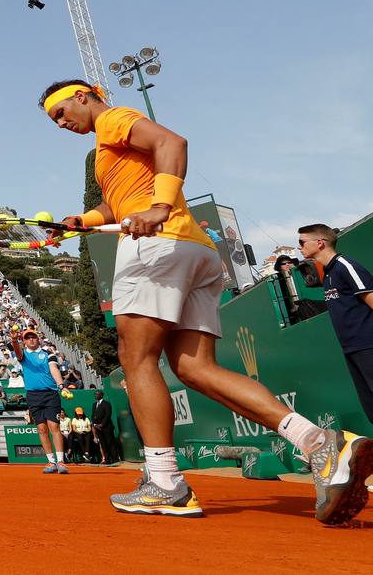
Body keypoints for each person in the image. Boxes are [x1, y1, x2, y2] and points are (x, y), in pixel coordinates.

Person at [43, 80, 371, 523]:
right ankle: (319, 443)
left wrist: (159, 207)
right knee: (196, 368)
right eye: (54, 121)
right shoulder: (107, 150)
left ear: (82, 96)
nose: (61, 124)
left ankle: (163, 482)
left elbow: (172, 142)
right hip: (194, 251)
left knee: (136, 358)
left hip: (158, 248)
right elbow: (120, 203)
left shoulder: (112, 120)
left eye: (61, 112)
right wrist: (82, 220)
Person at [298, 224, 373, 428]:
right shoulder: (328, 274)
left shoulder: (345, 265)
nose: (299, 248)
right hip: (351, 349)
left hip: (368, 345)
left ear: (319, 243)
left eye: (302, 242)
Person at [13, 327, 67, 474]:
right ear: (24, 341)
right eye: (27, 338)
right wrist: (13, 339)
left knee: (54, 427)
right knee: (41, 429)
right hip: (33, 395)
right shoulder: (23, 355)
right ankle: (51, 462)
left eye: (33, 337)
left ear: (38, 339)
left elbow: (54, 370)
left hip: (50, 394)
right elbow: (17, 351)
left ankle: (61, 461)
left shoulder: (48, 354)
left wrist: (61, 385)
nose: (31, 339)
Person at [90, 390, 120, 466]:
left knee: (110, 443)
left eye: (97, 394)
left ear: (101, 395)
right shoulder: (94, 405)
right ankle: (107, 459)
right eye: (95, 394)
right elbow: (93, 415)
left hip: (106, 427)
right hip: (98, 428)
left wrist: (102, 424)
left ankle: (114, 458)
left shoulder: (106, 404)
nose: (96, 395)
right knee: (103, 444)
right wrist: (94, 424)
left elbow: (108, 415)